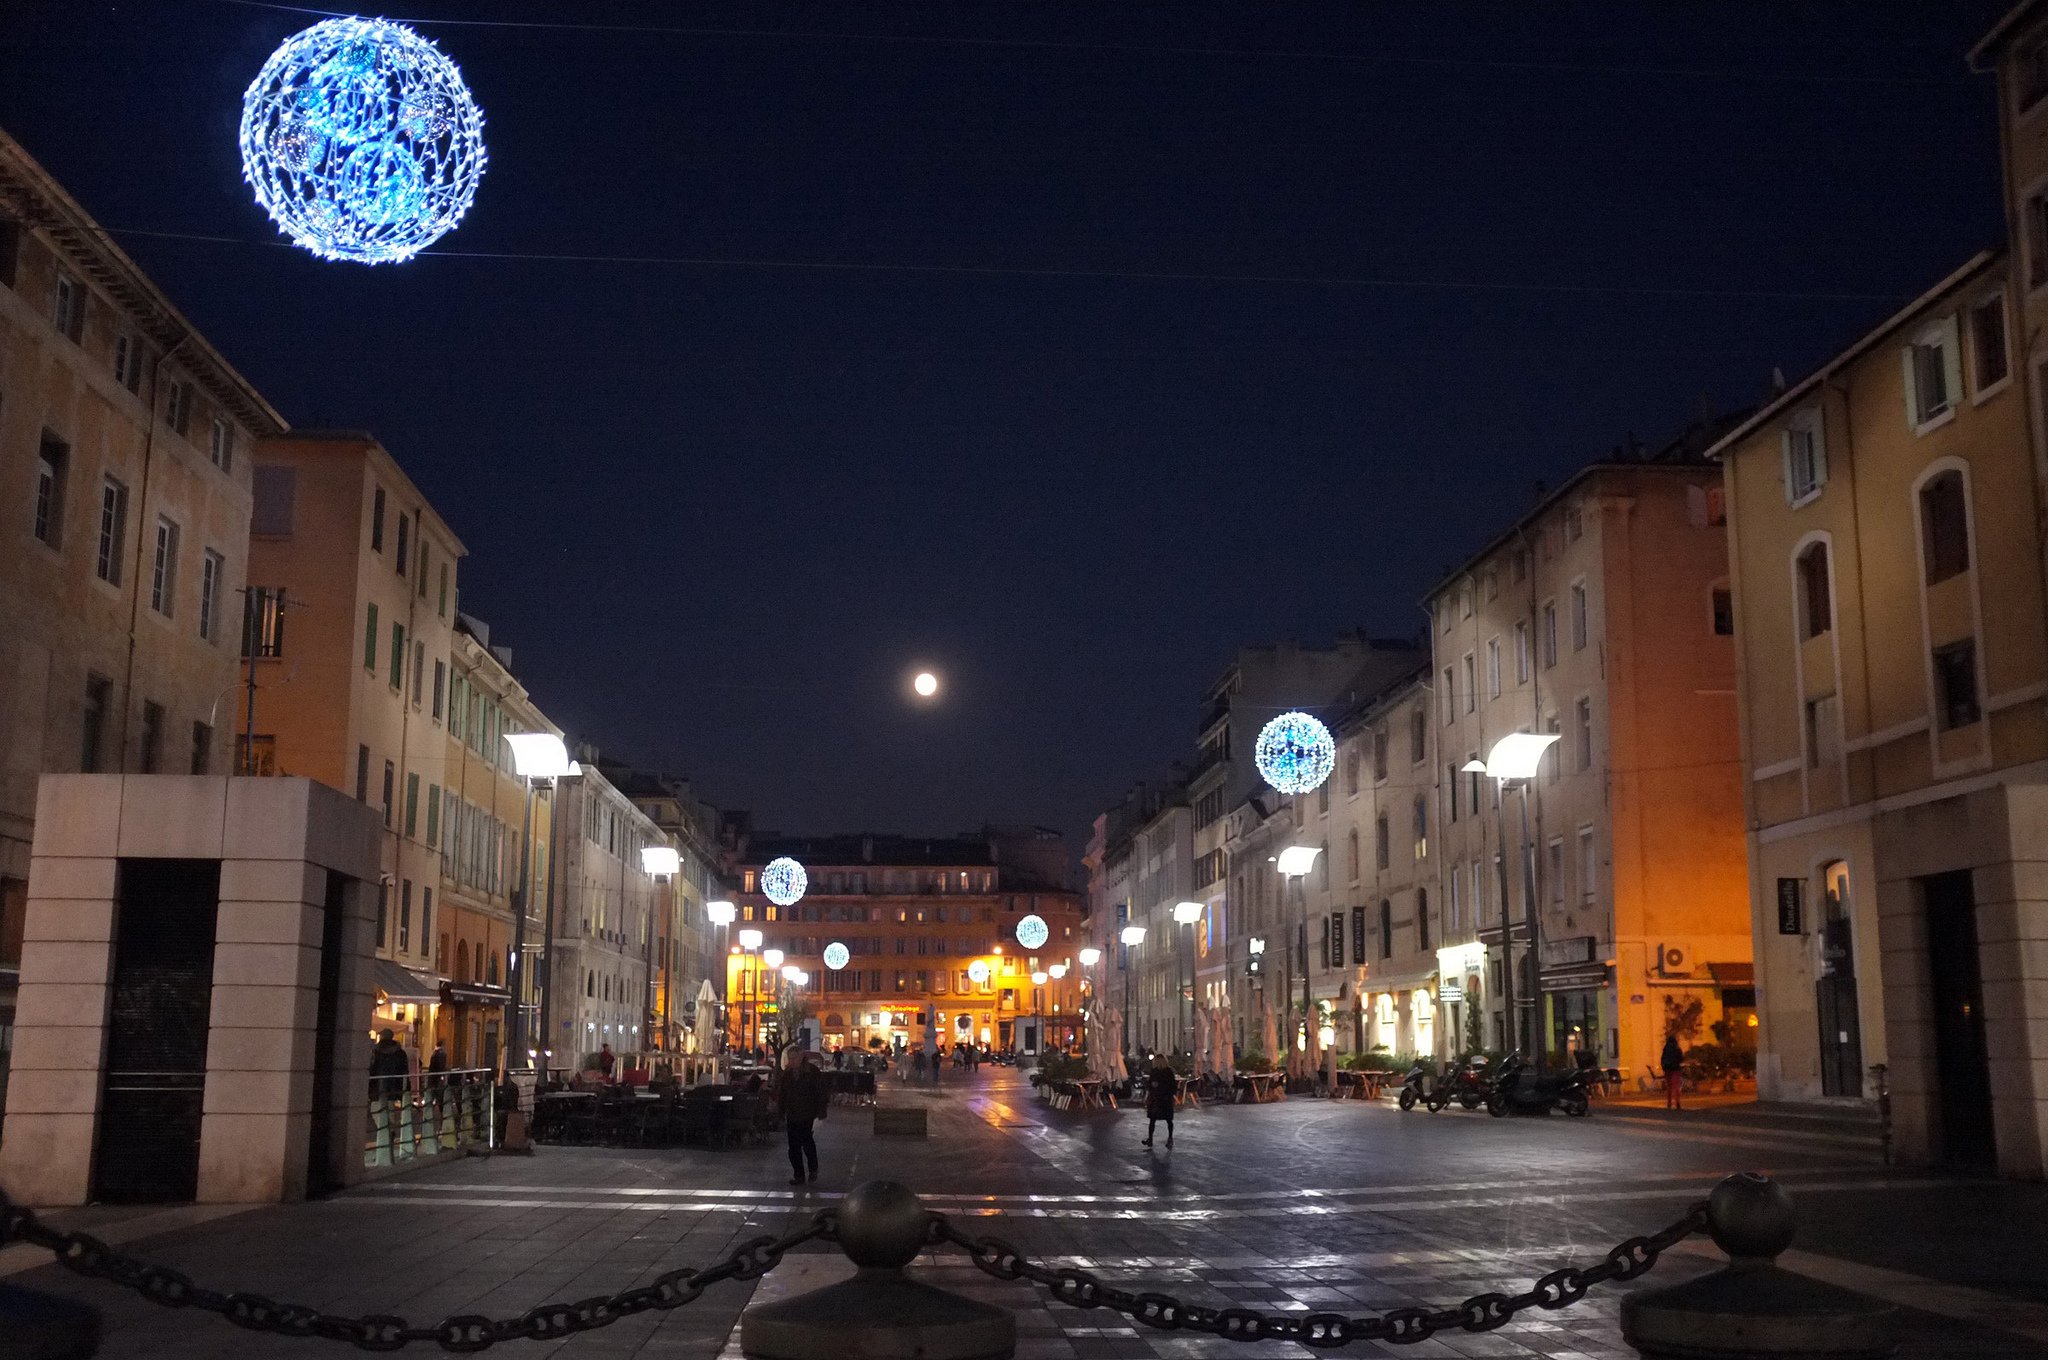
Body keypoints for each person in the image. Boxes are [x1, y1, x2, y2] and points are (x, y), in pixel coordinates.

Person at [777, 1050, 828, 1186]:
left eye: (794, 1058)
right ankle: (798, 1174)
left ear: (801, 1058)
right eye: (790, 1058)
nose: (792, 1061)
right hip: (792, 1113)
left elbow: (820, 1092)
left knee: (806, 1142)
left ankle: (812, 1169)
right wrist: (781, 1111)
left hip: (806, 1113)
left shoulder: (811, 1072)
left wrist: (821, 1111)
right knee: (793, 1146)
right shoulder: (788, 1074)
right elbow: (782, 1093)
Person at [1143, 1054, 1178, 1148]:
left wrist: (1153, 1087)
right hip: (1164, 1098)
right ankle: (1169, 1138)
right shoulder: (1168, 1071)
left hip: (1158, 1098)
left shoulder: (1156, 1071)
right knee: (1168, 1120)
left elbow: (1149, 1084)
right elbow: (1173, 1086)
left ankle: (1151, 1139)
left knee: (1153, 1120)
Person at [369, 1028, 410, 1102]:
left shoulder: (376, 1051)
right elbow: (404, 1068)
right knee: (391, 1101)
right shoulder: (400, 1052)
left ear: (382, 1037)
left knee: (379, 1101)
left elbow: (372, 1066)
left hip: (378, 1080)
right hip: (395, 1081)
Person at [1661, 1032, 1686, 1111]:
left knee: (1669, 1087)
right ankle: (1677, 1102)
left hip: (1668, 1069)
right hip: (1676, 1069)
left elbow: (1662, 1059)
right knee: (1676, 1086)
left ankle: (1669, 1102)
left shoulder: (1665, 1049)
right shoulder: (1677, 1049)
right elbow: (1681, 1059)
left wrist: (1664, 1067)